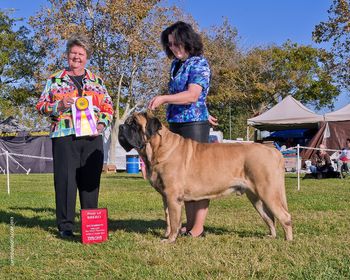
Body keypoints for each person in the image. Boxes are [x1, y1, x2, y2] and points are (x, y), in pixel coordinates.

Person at [36, 35, 113, 238]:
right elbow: (41, 106)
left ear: (87, 57)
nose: (77, 57)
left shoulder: (98, 81)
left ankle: (90, 226)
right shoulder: (54, 80)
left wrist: (102, 123)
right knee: (65, 181)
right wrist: (58, 105)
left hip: (92, 137)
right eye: (73, 53)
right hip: (64, 135)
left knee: (90, 181)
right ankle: (66, 226)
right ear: (67, 55)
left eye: (81, 54)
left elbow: (108, 107)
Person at [148, 21, 217, 237]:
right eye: (169, 45)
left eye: (176, 44)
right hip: (176, 124)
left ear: (187, 41)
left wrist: (163, 99)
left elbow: (193, 95)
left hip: (194, 125)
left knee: (199, 176)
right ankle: (187, 222)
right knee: (182, 178)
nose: (172, 48)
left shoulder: (199, 63)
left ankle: (198, 227)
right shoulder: (176, 65)